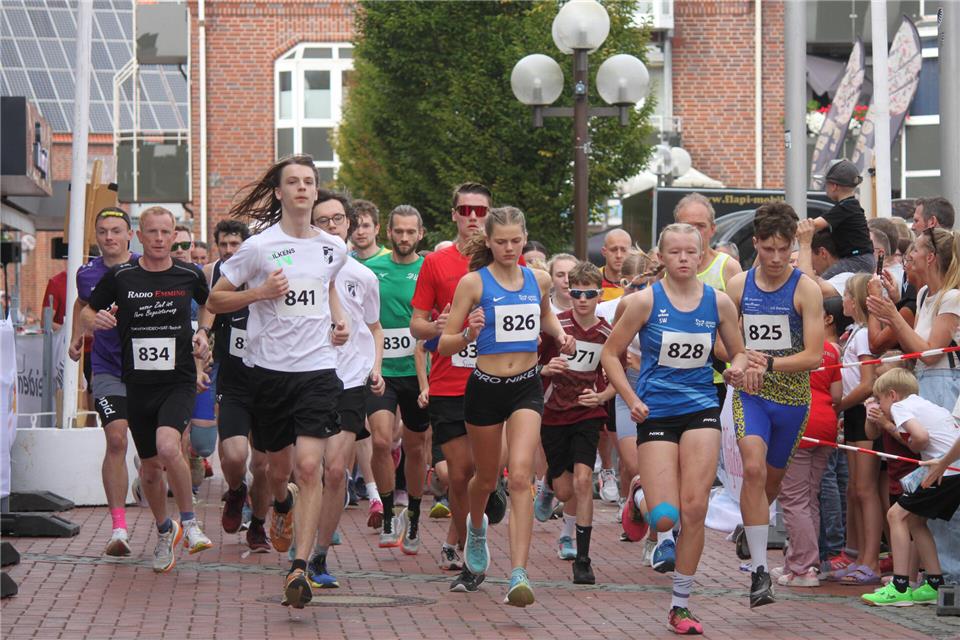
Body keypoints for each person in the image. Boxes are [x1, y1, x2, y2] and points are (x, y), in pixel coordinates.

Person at [206, 154, 350, 609]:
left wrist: (339, 322)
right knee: (273, 469)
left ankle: (299, 568)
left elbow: (326, 287)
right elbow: (215, 297)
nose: (303, 188)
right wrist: (260, 293)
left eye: (310, 181)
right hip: (268, 373)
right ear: (280, 192)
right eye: (294, 182)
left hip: (318, 370)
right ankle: (280, 506)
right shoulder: (258, 247)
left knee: (311, 468)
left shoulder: (333, 247)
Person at [601, 222, 747, 635]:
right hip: (656, 412)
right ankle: (642, 496)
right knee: (666, 519)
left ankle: (680, 605)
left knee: (696, 507)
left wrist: (736, 371)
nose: (684, 259)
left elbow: (737, 354)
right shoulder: (645, 302)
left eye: (691, 252)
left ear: (701, 257)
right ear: (661, 257)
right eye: (675, 252)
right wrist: (630, 399)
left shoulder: (718, 303)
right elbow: (611, 355)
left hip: (701, 406)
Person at [439, 205, 574, 607]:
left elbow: (546, 317)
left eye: (517, 240)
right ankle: (477, 529)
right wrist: (468, 333)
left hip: (526, 387)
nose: (510, 248)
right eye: (501, 242)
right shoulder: (473, 284)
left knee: (520, 477)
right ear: (489, 241)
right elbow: (443, 343)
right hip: (484, 388)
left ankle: (518, 573)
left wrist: (561, 334)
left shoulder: (539, 278)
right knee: (484, 478)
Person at [82, 206, 213, 573]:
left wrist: (203, 333)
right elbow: (86, 313)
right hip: (136, 384)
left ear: (174, 236)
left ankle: (189, 524)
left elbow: (209, 305)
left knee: (171, 447)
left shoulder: (188, 274)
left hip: (176, 380)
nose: (158, 239)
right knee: (151, 470)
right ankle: (163, 530)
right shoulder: (122, 276)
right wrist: (98, 320)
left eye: (165, 233)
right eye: (151, 232)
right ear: (140, 237)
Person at [725, 202, 824, 608]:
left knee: (769, 484)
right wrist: (738, 361)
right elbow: (722, 342)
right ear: (756, 245)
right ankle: (760, 572)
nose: (778, 258)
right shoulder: (737, 288)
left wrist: (768, 363)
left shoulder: (806, 289)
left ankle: (750, 529)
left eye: (785, 249)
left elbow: (815, 355)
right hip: (752, 395)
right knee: (752, 467)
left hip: (793, 400)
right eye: (769, 250)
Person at [410, 182, 491, 592]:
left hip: (496, 381)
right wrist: (437, 327)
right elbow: (417, 325)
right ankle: (471, 541)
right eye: (466, 210)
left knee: (486, 473)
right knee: (458, 475)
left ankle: (482, 514)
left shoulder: (505, 262)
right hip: (449, 381)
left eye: (481, 210)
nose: (473, 217)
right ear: (455, 214)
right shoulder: (437, 264)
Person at [307, 190, 385, 588]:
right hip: (305, 377)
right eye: (324, 221)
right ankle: (295, 530)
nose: (333, 226)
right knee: (303, 470)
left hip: (350, 379)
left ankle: (317, 556)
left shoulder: (364, 277)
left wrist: (376, 368)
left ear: (350, 225)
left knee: (335, 471)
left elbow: (374, 327)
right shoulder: (300, 272)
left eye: (338, 219)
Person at [194, 219, 272, 551]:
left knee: (264, 463)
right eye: (223, 244)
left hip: (269, 379)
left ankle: (257, 525)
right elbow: (208, 308)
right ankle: (237, 490)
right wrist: (204, 337)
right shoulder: (214, 274)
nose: (229, 251)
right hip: (234, 379)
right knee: (234, 455)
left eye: (235, 245)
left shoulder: (267, 272)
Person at [538, 261, 614, 585]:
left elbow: (617, 379)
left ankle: (583, 559)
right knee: (565, 488)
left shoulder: (607, 332)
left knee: (584, 482)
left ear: (600, 295)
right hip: (554, 412)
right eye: (577, 293)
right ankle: (548, 482)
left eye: (590, 294)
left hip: (587, 412)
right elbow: (530, 364)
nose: (583, 299)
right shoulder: (556, 326)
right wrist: (546, 369)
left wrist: (600, 397)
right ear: (569, 292)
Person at [364, 205, 431, 553]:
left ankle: (415, 514)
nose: (404, 238)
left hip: (417, 371)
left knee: (417, 447)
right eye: (398, 231)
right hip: (382, 370)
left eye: (411, 232)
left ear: (420, 234)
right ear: (388, 233)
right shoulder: (371, 268)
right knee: (380, 441)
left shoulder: (428, 268)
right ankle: (389, 512)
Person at [862, 368, 960, 606]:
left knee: (896, 515)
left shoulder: (900, 407)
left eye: (880, 400)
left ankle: (900, 585)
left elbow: (921, 438)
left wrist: (915, 445)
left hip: (945, 469)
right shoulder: (923, 403)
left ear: (892, 395)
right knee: (916, 521)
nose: (881, 407)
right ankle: (933, 582)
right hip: (953, 469)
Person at [70, 207, 137, 556]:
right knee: (116, 439)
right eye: (102, 232)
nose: (109, 237)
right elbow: (82, 305)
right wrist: (77, 337)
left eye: (116, 231)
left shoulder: (146, 267)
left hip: (150, 373)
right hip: (107, 368)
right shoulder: (86, 273)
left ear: (130, 235)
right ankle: (119, 528)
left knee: (162, 451)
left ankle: (164, 515)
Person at [774, 295, 843, 587]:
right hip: (826, 424)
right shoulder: (830, 350)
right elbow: (837, 395)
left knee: (793, 498)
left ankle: (803, 567)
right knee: (809, 497)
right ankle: (802, 562)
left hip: (799, 423)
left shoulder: (791, 346)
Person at [866, 228, 960, 410]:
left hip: (946, 383)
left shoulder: (951, 298)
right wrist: (890, 315)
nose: (909, 255)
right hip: (923, 380)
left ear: (930, 257)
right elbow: (913, 347)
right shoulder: (923, 293)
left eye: (915, 250)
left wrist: (893, 315)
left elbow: (930, 355)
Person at [829, 274, 881, 585]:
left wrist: (839, 405)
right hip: (852, 412)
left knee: (865, 489)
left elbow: (867, 383)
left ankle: (871, 560)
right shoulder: (856, 332)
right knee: (854, 489)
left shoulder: (862, 337)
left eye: (847, 295)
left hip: (860, 411)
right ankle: (861, 555)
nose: (843, 300)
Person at [808, 159, 874, 277]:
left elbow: (814, 225)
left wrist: (793, 229)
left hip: (857, 260)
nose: (825, 188)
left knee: (823, 284)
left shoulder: (845, 208)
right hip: (862, 259)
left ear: (834, 186)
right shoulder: (850, 206)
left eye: (826, 184)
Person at [600, 228, 632, 301]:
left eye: (623, 250)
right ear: (604, 252)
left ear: (631, 252)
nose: (619, 255)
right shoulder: (592, 279)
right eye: (613, 250)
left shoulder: (640, 282)